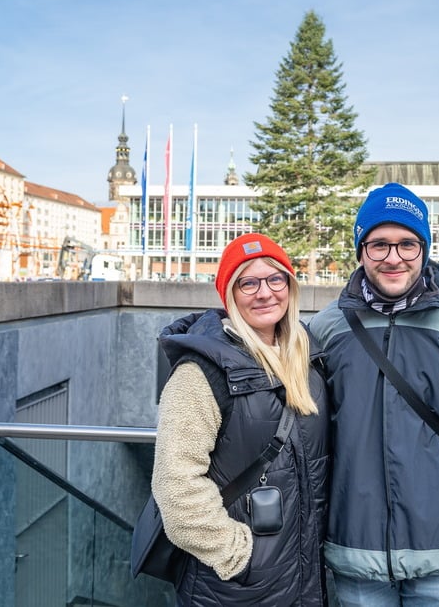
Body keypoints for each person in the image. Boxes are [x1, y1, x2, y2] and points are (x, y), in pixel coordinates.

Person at [309, 182, 439, 606]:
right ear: (361, 250)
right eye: (379, 244)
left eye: (407, 244)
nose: (393, 258)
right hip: (355, 549)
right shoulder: (326, 331)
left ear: (424, 249)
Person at [152, 233, 330, 606]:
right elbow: (176, 487)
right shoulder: (200, 373)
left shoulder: (307, 358)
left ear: (290, 286)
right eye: (248, 282)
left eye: (274, 279)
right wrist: (240, 558)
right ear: (229, 294)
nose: (265, 293)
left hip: (303, 578)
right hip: (235, 589)